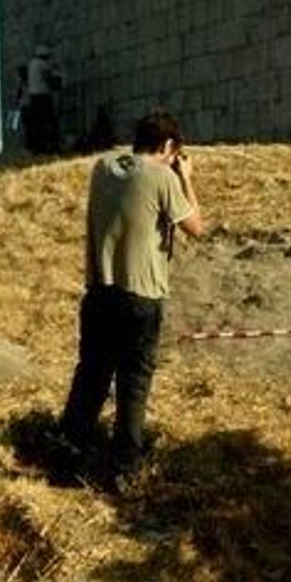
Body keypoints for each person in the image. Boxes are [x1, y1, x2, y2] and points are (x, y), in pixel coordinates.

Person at [56, 109, 204, 493]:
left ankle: (67, 453)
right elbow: (196, 228)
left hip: (99, 293)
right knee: (134, 382)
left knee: (91, 375)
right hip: (141, 297)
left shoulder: (102, 167)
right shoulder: (162, 176)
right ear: (169, 146)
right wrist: (184, 178)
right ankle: (124, 468)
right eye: (175, 152)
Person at [23, 47, 63, 153]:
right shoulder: (42, 64)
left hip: (33, 97)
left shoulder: (31, 64)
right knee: (50, 121)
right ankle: (53, 146)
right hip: (43, 96)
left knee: (37, 123)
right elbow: (49, 78)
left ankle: (37, 147)